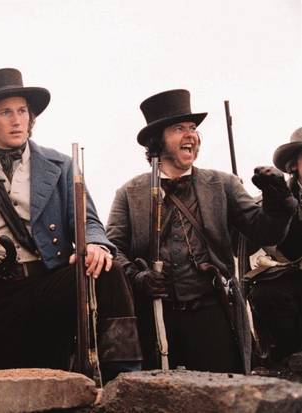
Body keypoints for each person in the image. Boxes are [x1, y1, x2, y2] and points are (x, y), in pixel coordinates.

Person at [0, 68, 141, 380]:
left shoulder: (61, 165)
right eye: (5, 112)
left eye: (22, 111)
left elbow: (89, 220)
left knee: (108, 268)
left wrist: (95, 244)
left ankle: (125, 376)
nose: (17, 120)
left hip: (45, 280)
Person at [106, 89, 296, 373]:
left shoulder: (222, 184)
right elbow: (113, 248)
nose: (190, 135)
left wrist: (277, 201)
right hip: (156, 316)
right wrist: (138, 277)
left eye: (193, 129)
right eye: (179, 128)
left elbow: (266, 233)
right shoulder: (129, 193)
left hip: (213, 314)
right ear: (158, 140)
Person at [247, 127, 302, 364]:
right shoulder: (276, 198)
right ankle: (289, 361)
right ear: (293, 166)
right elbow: (254, 239)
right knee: (266, 294)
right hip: (294, 282)